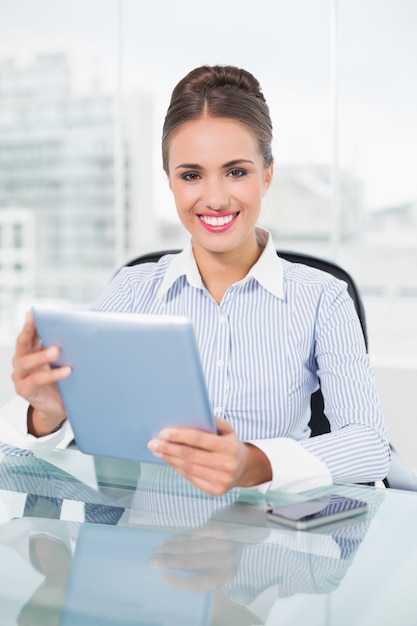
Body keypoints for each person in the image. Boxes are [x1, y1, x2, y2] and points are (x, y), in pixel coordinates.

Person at [0, 65, 390, 495]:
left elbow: (369, 446)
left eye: (236, 171)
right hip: (147, 547)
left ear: (268, 173)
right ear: (169, 180)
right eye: (191, 175)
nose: (216, 197)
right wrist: (48, 415)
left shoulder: (323, 298)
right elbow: (15, 458)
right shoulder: (132, 290)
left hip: (272, 544)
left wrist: (253, 464)